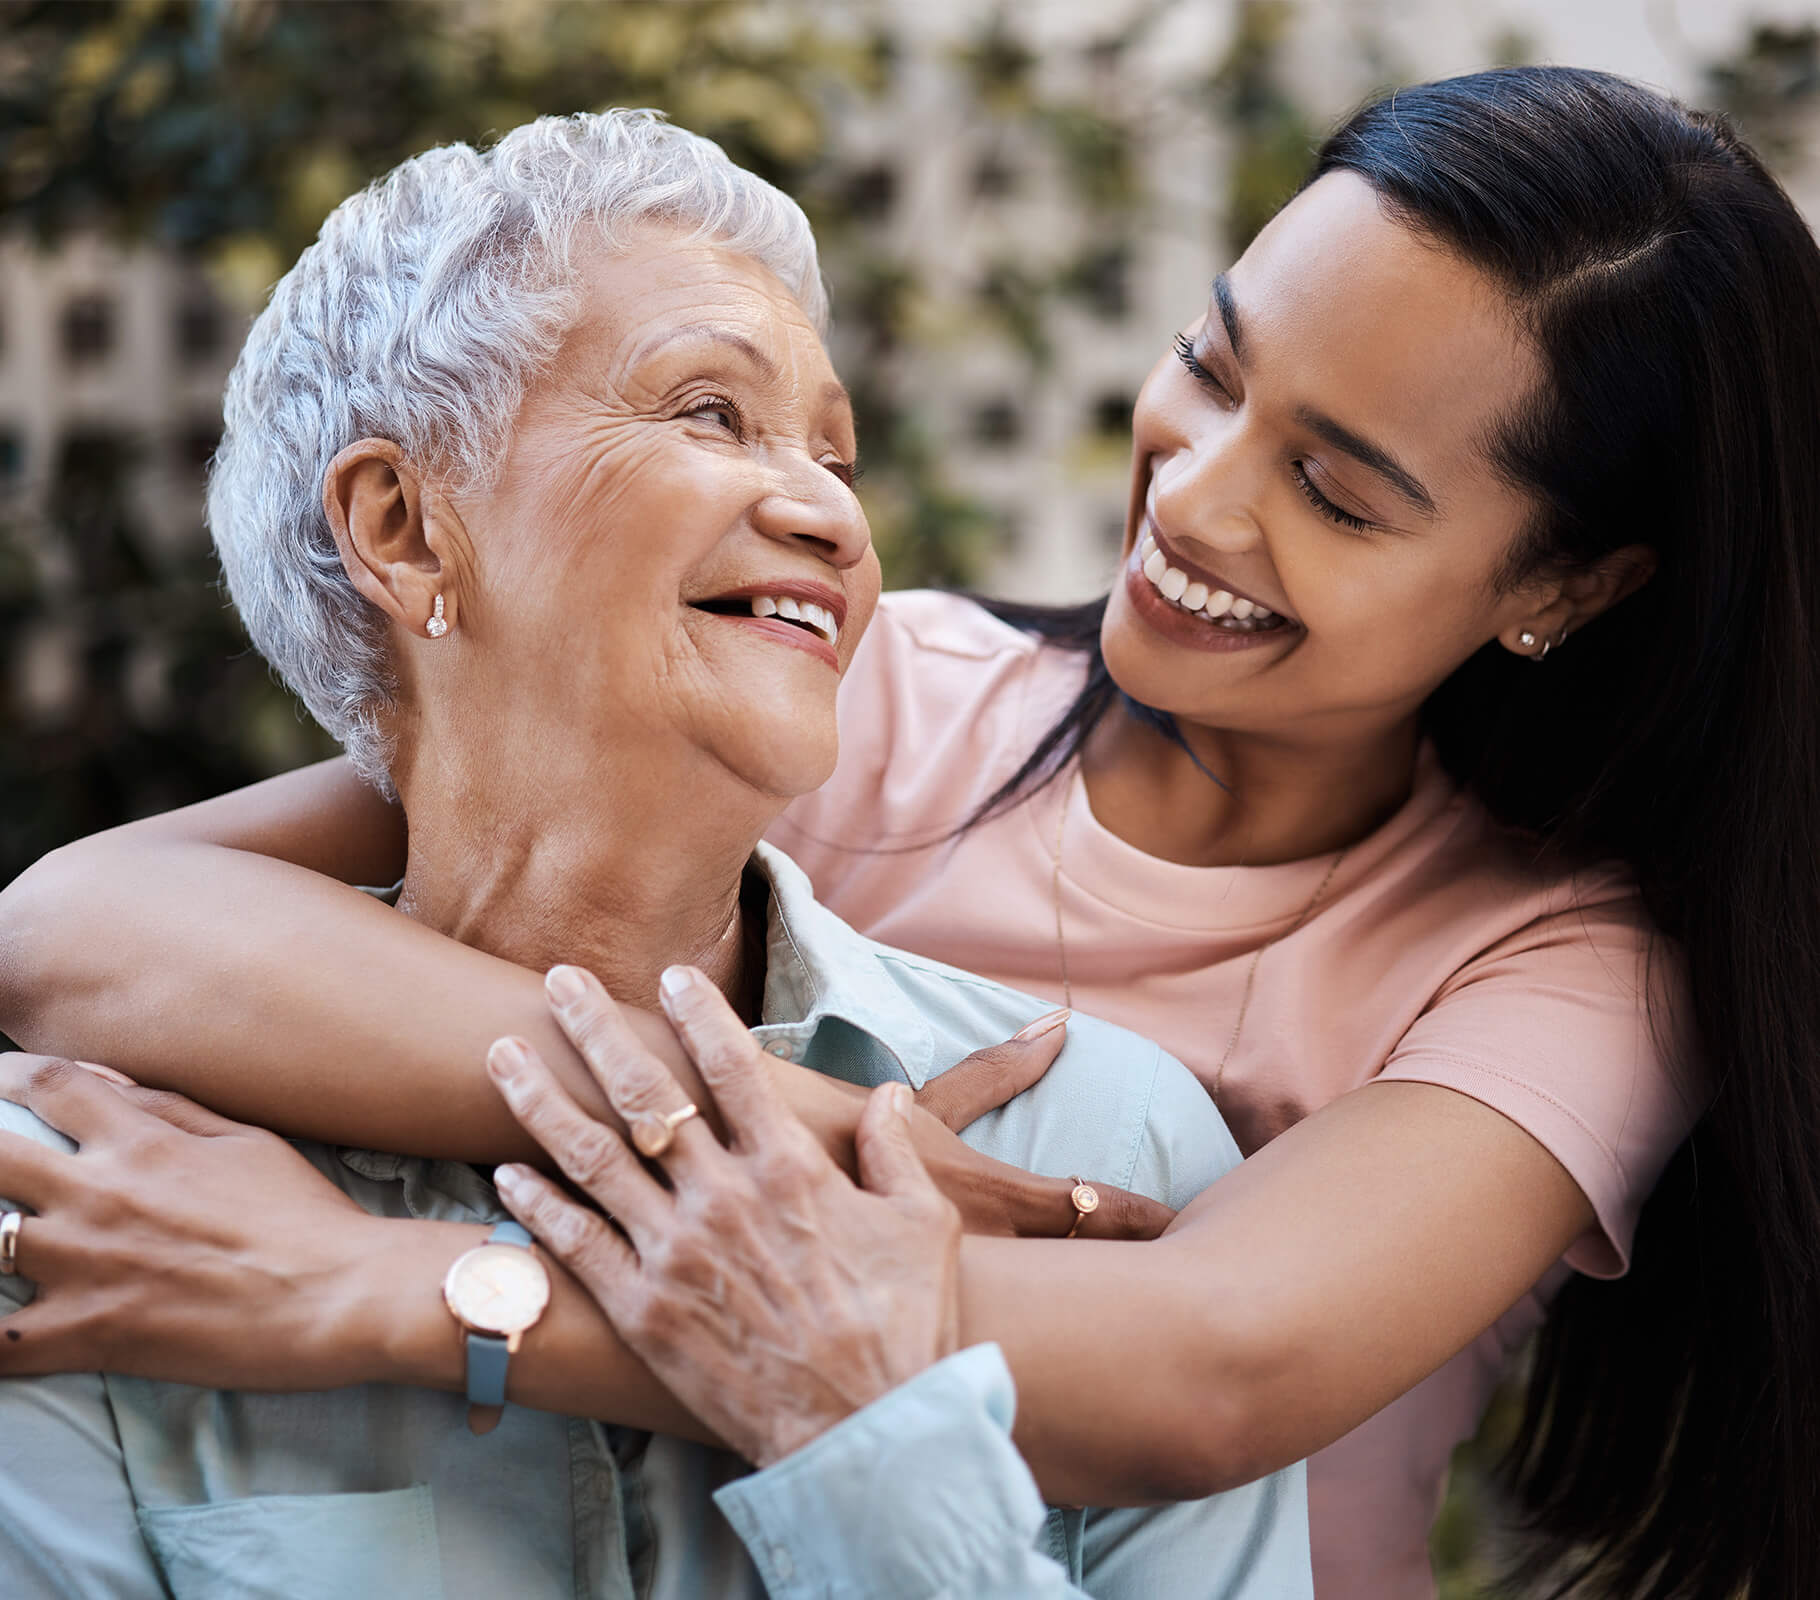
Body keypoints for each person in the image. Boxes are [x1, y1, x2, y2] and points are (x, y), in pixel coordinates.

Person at [5, 62, 1819, 1599]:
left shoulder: (1557, 965)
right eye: (1211, 362)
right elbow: (100, 922)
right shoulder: (867, 691)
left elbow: (1203, 1363)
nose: (1197, 490)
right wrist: (817, 1127)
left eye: (1335, 492)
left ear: (1563, 584)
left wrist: (402, 1289)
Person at [0, 109, 1312, 1599]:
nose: (831, 509)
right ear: (405, 529)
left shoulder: (1095, 1146)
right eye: (708, 413)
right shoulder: (85, 1190)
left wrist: (842, 1418)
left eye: (836, 449)